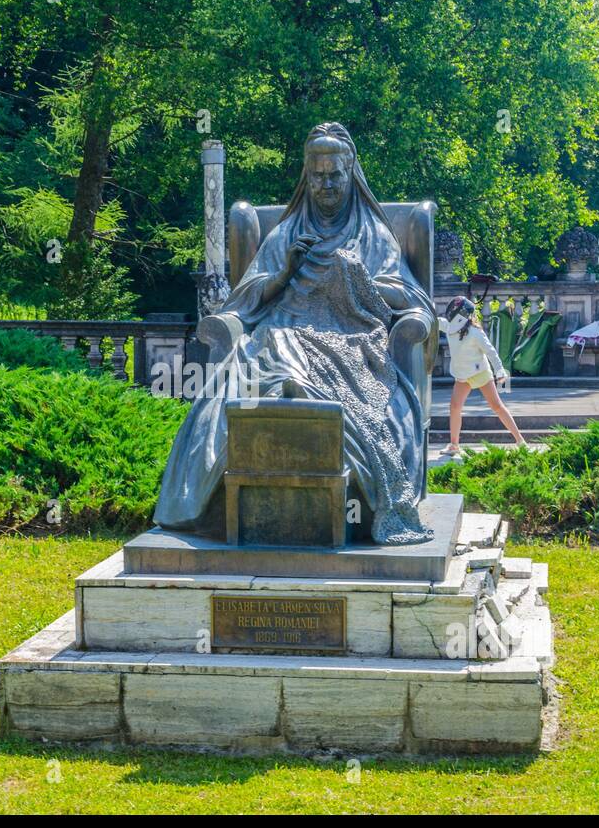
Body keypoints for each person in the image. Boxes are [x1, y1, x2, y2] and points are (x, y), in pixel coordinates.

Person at [153, 122, 436, 545]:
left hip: (350, 335)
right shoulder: (284, 233)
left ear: (350, 172)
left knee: (327, 385)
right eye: (318, 175)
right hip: (282, 328)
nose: (326, 184)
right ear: (307, 175)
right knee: (249, 372)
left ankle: (304, 405)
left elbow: (407, 297)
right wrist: (283, 272)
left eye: (334, 174)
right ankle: (242, 471)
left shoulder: (373, 234)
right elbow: (245, 298)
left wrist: (359, 278)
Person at [438, 296, 525, 455]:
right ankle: (454, 445)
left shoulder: (475, 332)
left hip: (480, 373)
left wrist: (500, 371)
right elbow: (435, 321)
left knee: (497, 406)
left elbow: (491, 352)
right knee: (455, 407)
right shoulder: (450, 327)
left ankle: (520, 441)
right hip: (462, 375)